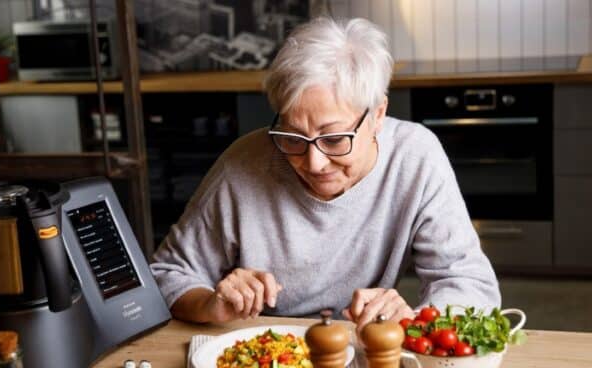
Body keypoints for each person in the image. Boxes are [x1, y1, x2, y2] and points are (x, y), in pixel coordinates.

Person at [150, 17, 500, 332]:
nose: (314, 163)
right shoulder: (243, 165)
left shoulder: (415, 156)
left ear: (378, 114)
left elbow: (469, 282)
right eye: (293, 137)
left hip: (358, 341)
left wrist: (413, 320)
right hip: (264, 344)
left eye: (334, 139)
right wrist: (211, 304)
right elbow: (167, 275)